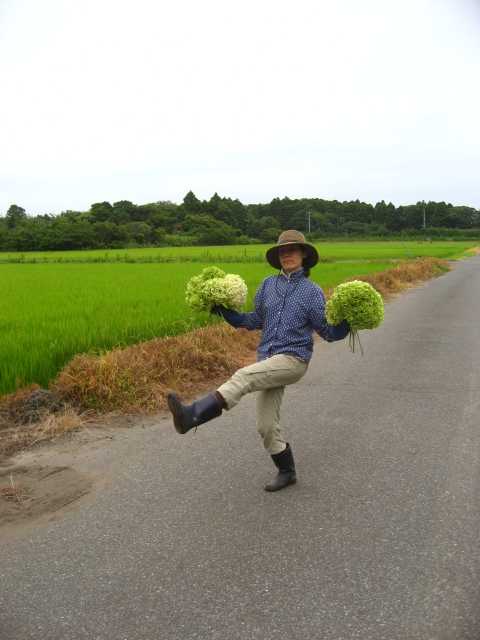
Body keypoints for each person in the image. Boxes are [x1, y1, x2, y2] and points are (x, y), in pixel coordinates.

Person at [168, 230, 350, 491]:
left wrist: (348, 325)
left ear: (304, 255)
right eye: (282, 251)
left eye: (293, 250)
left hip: (293, 360)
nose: (287, 254)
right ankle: (287, 471)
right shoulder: (268, 285)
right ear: (278, 257)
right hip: (268, 360)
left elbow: (328, 332)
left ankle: (192, 416)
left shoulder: (312, 292)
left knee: (243, 376)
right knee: (265, 425)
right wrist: (223, 309)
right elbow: (251, 321)